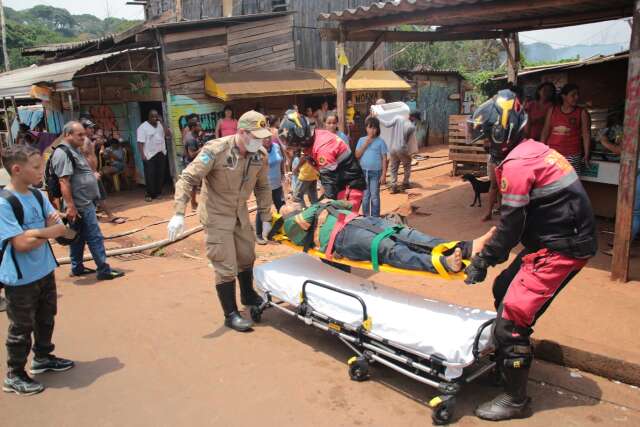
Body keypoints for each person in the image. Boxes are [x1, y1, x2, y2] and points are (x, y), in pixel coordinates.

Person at [464, 89, 597, 421]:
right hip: (553, 239)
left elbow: (510, 227)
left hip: (561, 248)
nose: (484, 146)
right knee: (502, 289)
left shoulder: (518, 165)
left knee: (511, 320)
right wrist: (491, 256)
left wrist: (483, 260)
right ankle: (508, 361)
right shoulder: (532, 148)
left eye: (486, 139)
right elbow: (515, 223)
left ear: (500, 134)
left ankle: (515, 398)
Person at [167, 111, 274, 332]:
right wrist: (178, 212)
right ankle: (231, 314)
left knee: (246, 255)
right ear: (242, 132)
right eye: (256, 136)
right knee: (225, 264)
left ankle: (247, 294)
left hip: (240, 213)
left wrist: (266, 216)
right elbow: (187, 178)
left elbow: (262, 186)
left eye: (262, 136)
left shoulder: (259, 155)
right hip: (216, 214)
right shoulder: (216, 150)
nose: (260, 140)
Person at [0, 144, 74, 396]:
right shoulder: (4, 203)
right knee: (21, 328)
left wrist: (37, 231)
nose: (42, 171)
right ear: (17, 169)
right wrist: (48, 231)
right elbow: (20, 244)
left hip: (44, 270)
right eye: (36, 167)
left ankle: (43, 357)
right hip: (20, 278)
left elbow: (60, 226)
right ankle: (15, 375)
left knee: (46, 317)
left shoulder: (38, 195)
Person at [273, 200, 495, 274]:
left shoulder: (311, 209)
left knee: (406, 233)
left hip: (357, 220)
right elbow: (325, 207)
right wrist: (323, 204)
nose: (290, 202)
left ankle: (467, 247)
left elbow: (348, 204)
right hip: (341, 237)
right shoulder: (292, 225)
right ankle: (443, 264)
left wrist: (324, 204)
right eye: (287, 204)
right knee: (387, 248)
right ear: (286, 213)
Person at [50, 122, 125, 281]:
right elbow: (64, 182)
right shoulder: (63, 153)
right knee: (94, 236)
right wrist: (71, 206)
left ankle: (77, 268)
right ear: (68, 134)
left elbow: (84, 170)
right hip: (80, 204)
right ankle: (104, 269)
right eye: (80, 135)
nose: (84, 138)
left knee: (78, 237)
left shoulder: (74, 150)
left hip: (83, 202)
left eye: (84, 134)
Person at [279, 109, 366, 211]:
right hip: (340, 183)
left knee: (342, 222)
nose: (292, 149)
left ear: (300, 140)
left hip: (349, 187)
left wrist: (326, 203)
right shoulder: (314, 138)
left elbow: (329, 185)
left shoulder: (322, 149)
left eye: (293, 145)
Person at [80, 119, 124, 224]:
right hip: (91, 173)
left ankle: (94, 216)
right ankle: (110, 216)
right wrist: (94, 172)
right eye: (90, 128)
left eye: (92, 128)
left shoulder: (87, 141)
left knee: (93, 197)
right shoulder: (85, 141)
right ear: (84, 129)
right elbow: (87, 158)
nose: (92, 130)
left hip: (89, 173)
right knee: (100, 196)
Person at [541, 83, 591, 174]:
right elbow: (545, 131)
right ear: (564, 96)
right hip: (552, 153)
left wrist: (587, 154)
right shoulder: (552, 110)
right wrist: (541, 150)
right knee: (552, 183)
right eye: (573, 95)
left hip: (572, 154)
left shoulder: (582, 112)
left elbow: (586, 134)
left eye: (577, 95)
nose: (576, 97)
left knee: (570, 183)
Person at [376, 111, 416, 194]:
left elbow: (387, 124)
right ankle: (405, 183)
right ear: (413, 118)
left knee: (393, 167)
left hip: (392, 148)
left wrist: (378, 118)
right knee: (407, 164)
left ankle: (393, 186)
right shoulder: (411, 126)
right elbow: (408, 141)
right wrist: (410, 152)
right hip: (401, 148)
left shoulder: (397, 117)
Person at [255, 135, 285, 245]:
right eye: (264, 137)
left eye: (269, 137)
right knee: (262, 210)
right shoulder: (257, 151)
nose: (267, 139)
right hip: (263, 186)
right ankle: (258, 235)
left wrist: (283, 173)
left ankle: (276, 232)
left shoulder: (276, 146)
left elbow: (281, 160)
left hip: (277, 184)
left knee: (281, 207)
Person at [355, 117, 388, 217]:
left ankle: (375, 218)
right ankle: (366, 217)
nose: (372, 130)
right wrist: (366, 144)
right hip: (363, 172)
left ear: (377, 129)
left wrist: (383, 175)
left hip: (376, 173)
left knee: (374, 196)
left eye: (374, 128)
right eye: (370, 127)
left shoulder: (380, 142)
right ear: (366, 128)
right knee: (365, 197)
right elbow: (357, 155)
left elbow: (384, 159)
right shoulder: (361, 140)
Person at [137, 110, 168, 202]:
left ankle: (158, 193)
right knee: (150, 175)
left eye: (156, 116)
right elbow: (140, 142)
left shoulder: (160, 125)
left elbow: (168, 134)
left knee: (160, 174)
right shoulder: (143, 127)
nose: (155, 118)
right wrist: (142, 155)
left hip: (161, 152)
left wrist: (162, 122)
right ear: (149, 117)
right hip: (149, 155)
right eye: (152, 116)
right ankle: (149, 194)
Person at [183, 118, 204, 211]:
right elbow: (191, 154)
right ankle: (193, 204)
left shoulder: (193, 135)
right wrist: (202, 148)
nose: (200, 127)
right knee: (194, 185)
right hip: (191, 163)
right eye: (198, 126)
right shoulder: (190, 138)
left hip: (196, 162)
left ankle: (195, 203)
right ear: (193, 127)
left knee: (198, 184)